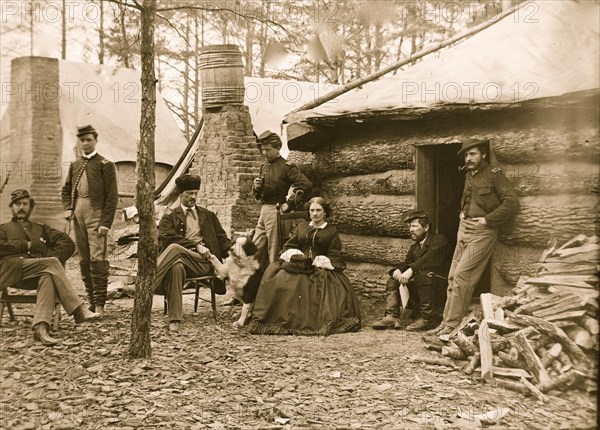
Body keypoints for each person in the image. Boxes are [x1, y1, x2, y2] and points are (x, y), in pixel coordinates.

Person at [433, 138, 519, 336]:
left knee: (463, 276)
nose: (468, 158)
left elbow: (512, 202)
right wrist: (462, 212)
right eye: (466, 155)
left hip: (482, 233)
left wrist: (488, 220)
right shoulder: (469, 174)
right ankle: (445, 322)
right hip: (464, 228)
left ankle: (453, 325)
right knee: (452, 276)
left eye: (472, 154)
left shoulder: (494, 175)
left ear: (484, 155)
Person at [248, 197, 361, 336]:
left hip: (320, 267)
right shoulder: (302, 227)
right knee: (277, 276)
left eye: (318, 210)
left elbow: (335, 254)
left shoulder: (331, 231)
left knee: (308, 284)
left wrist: (321, 261)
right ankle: (279, 318)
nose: (315, 214)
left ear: (325, 213)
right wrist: (294, 255)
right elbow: (290, 245)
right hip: (298, 263)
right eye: (312, 210)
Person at [0, 190, 100, 345]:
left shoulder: (41, 228)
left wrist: (48, 255)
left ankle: (41, 328)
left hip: (37, 273)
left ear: (30, 207)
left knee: (48, 275)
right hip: (11, 271)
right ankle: (78, 311)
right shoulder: (4, 228)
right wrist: (25, 245)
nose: (21, 207)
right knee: (51, 263)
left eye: (25, 204)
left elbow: (66, 243)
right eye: (17, 204)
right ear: (12, 207)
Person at [154, 174, 232, 332]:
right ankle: (174, 319)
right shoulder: (169, 217)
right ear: (180, 194)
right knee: (176, 266)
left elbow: (222, 238)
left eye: (195, 193)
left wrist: (234, 249)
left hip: (203, 263)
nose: (193, 197)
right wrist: (195, 245)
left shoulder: (208, 215)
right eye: (189, 193)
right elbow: (168, 239)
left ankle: (149, 284)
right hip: (181, 260)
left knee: (175, 249)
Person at [61, 124, 118, 316]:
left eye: (89, 140)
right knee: (84, 259)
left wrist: (105, 223)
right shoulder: (75, 164)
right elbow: (66, 190)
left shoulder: (105, 165)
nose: (85, 143)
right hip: (78, 215)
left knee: (98, 258)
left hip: (96, 214)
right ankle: (92, 303)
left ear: (96, 141)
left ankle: (100, 306)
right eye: (82, 140)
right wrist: (68, 208)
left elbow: (112, 197)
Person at [372, 211, 448, 331]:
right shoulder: (415, 247)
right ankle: (392, 316)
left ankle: (427, 318)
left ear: (426, 227)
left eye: (414, 226)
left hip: (440, 286)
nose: (411, 230)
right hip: (423, 287)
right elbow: (407, 263)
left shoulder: (439, 240)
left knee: (424, 275)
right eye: (410, 227)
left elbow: (430, 258)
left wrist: (412, 270)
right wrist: (397, 271)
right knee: (393, 281)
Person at [251, 131, 312, 264]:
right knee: (256, 248)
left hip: (277, 210)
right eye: (263, 150)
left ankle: (274, 279)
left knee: (274, 249)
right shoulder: (264, 166)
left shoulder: (287, 167)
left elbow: (305, 185)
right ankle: (254, 281)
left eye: (268, 149)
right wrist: (256, 187)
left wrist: (289, 204)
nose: (265, 153)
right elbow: (259, 194)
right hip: (264, 210)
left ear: (277, 148)